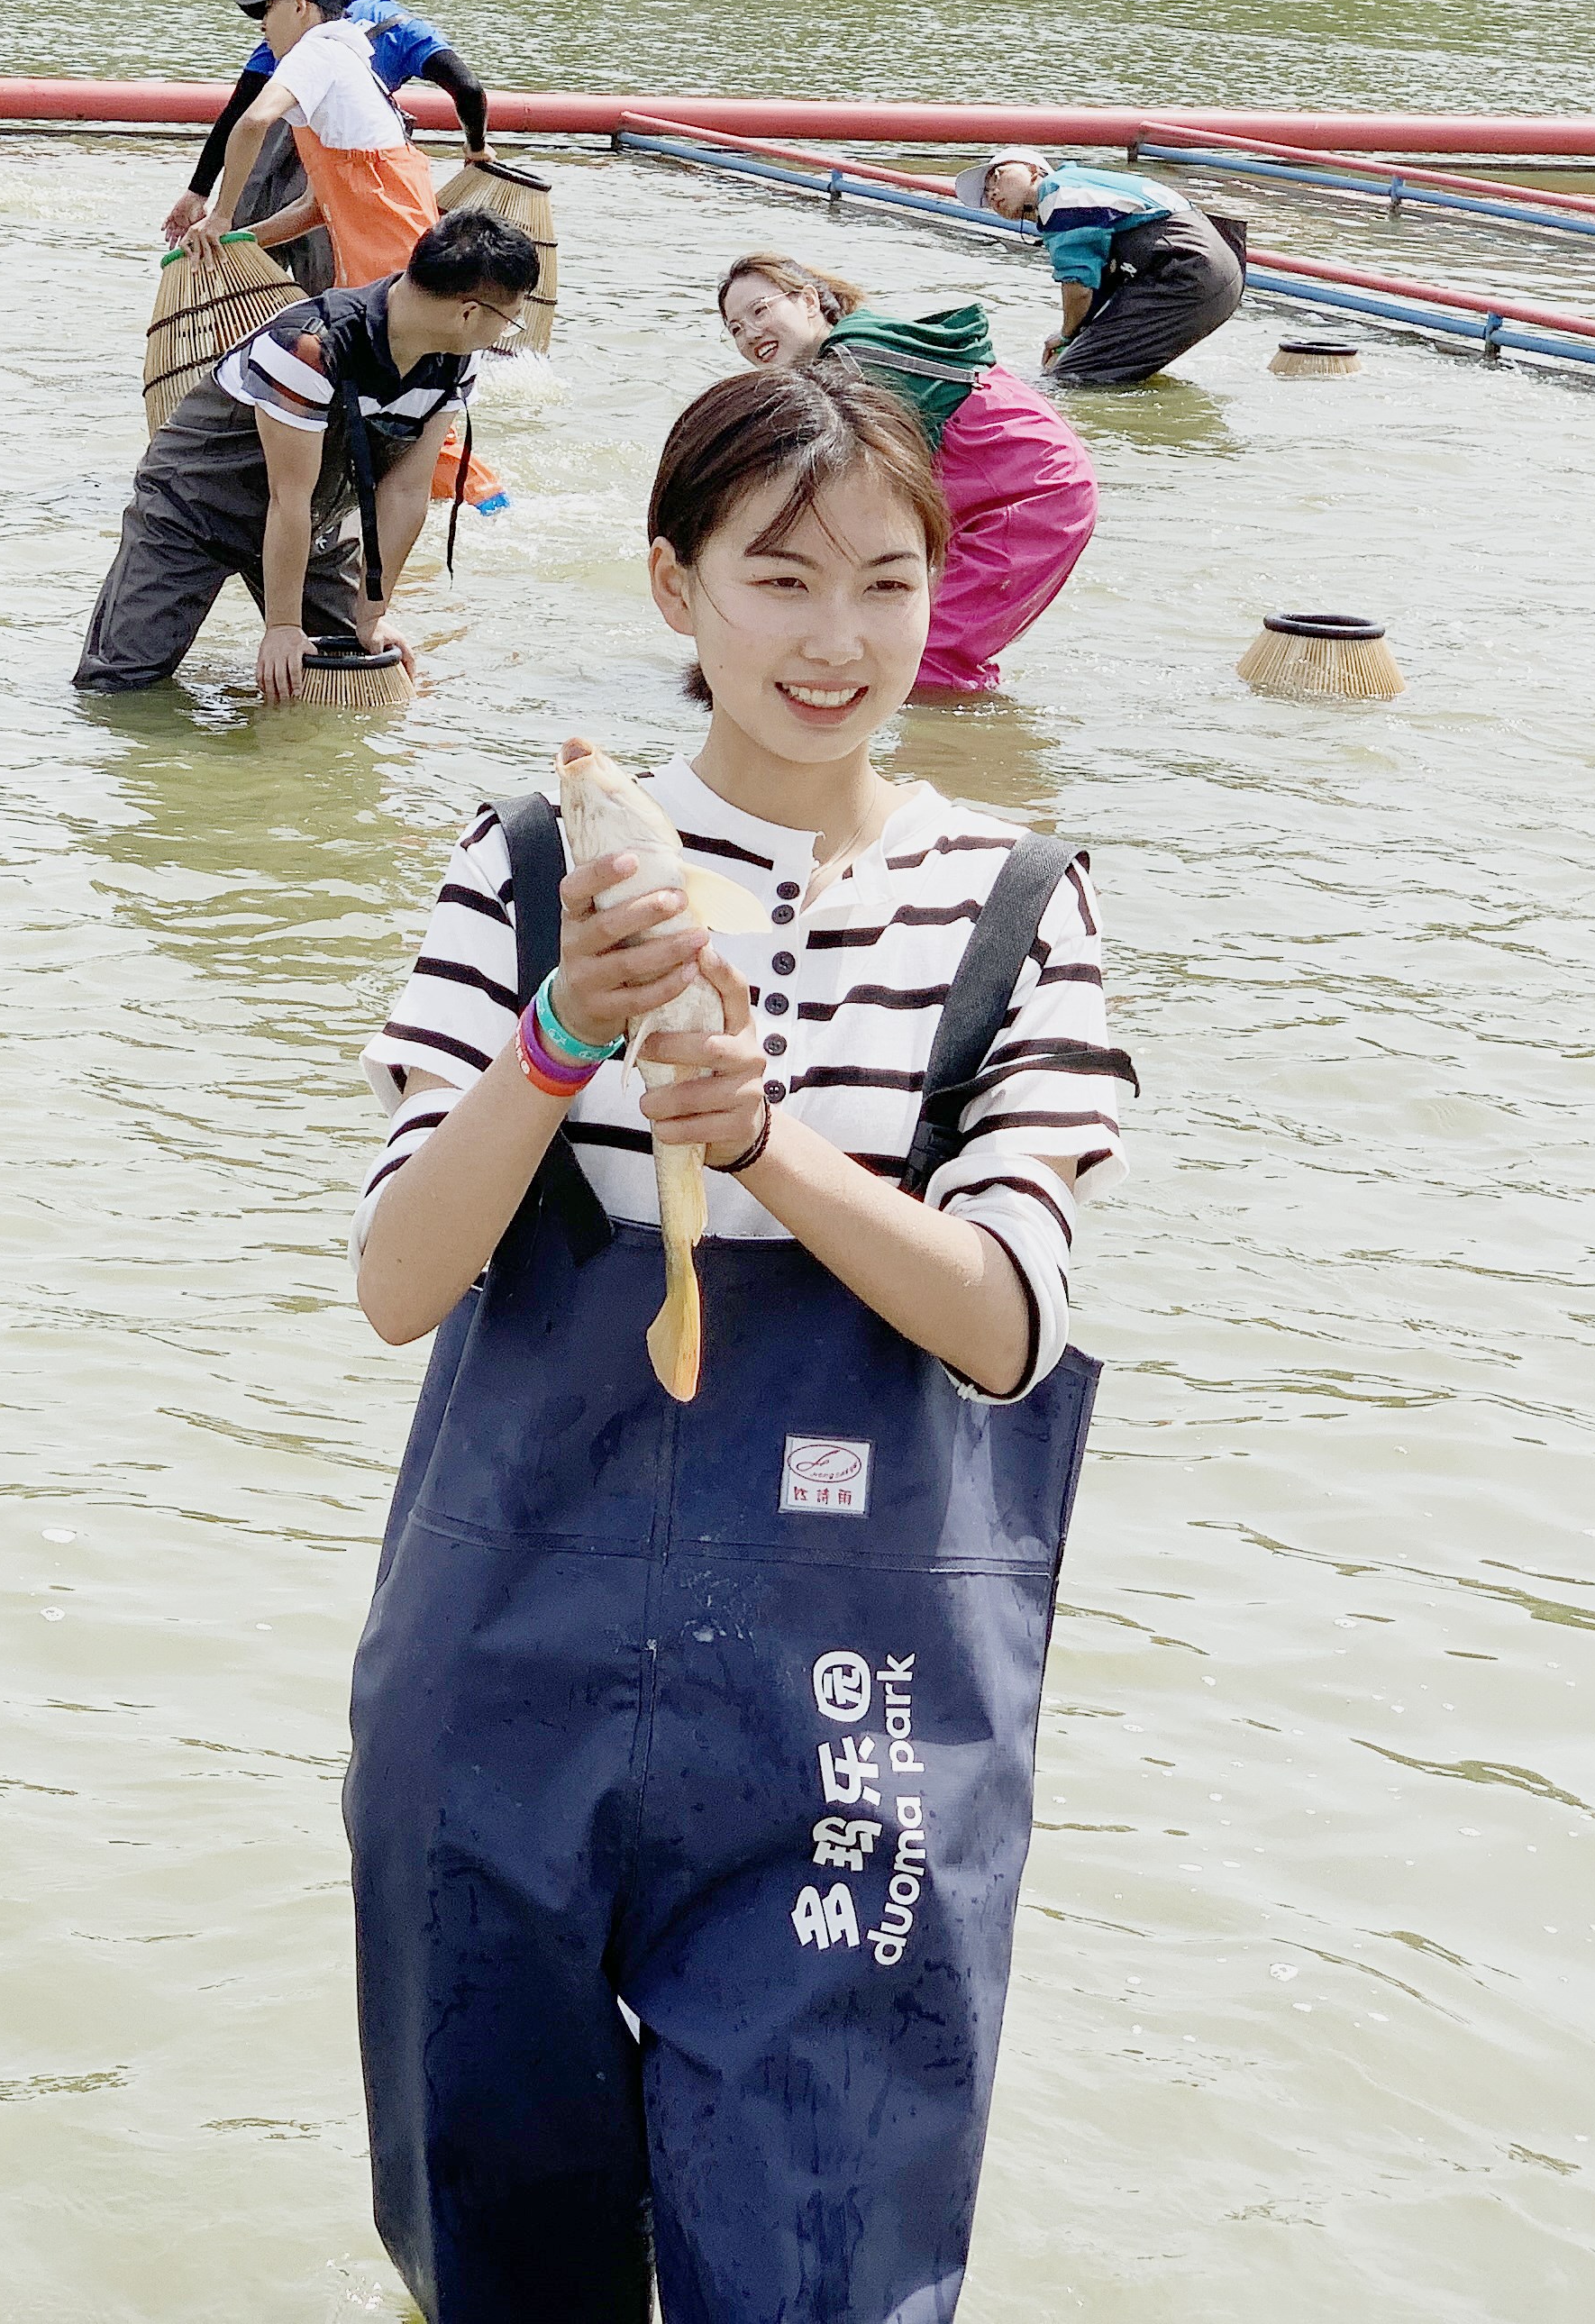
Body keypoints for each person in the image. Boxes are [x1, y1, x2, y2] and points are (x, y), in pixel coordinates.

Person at [344, 363, 1135, 2324]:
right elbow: (395, 1281)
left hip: (854, 1708)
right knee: (493, 2249)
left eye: (888, 581)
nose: (838, 639)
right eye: (779, 581)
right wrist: (558, 1043)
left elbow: (1010, 1323)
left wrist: (768, 1142)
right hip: (501, 1679)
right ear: (672, 589)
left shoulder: (1013, 905)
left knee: (817, 2262)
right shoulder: (528, 868)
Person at [75, 210, 537, 700]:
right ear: (468, 313)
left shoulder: (453, 363)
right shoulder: (308, 347)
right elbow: (285, 495)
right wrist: (281, 626)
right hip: (194, 510)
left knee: (355, 670)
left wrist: (372, 613)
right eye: (508, 321)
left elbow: (405, 490)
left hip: (311, 521)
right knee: (120, 689)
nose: (503, 333)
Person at [720, 252, 1100, 699]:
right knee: (911, 643)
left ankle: (950, 759)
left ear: (807, 301)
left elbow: (848, 489)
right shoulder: (859, 343)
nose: (750, 334)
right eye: (736, 329)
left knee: (928, 657)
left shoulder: (852, 364)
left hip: (1031, 497)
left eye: (760, 310)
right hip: (1010, 490)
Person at [164, 0, 493, 284]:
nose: (262, 25)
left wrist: (217, 212)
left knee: (261, 314)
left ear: (301, 5)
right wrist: (237, 241)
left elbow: (249, 117)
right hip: (403, 260)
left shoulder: (314, 49)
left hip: (385, 269)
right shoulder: (360, 46)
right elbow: (315, 207)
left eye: (268, 10)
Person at [952, 148, 1243, 386]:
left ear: (1033, 170)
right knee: (1099, 368)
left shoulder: (1057, 194)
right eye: (986, 195)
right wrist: (1074, 339)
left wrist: (1066, 335)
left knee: (1073, 378)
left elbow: (1078, 288)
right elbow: (1099, 295)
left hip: (1185, 271)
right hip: (1216, 270)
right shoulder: (1084, 187)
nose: (992, 193)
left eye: (998, 177)